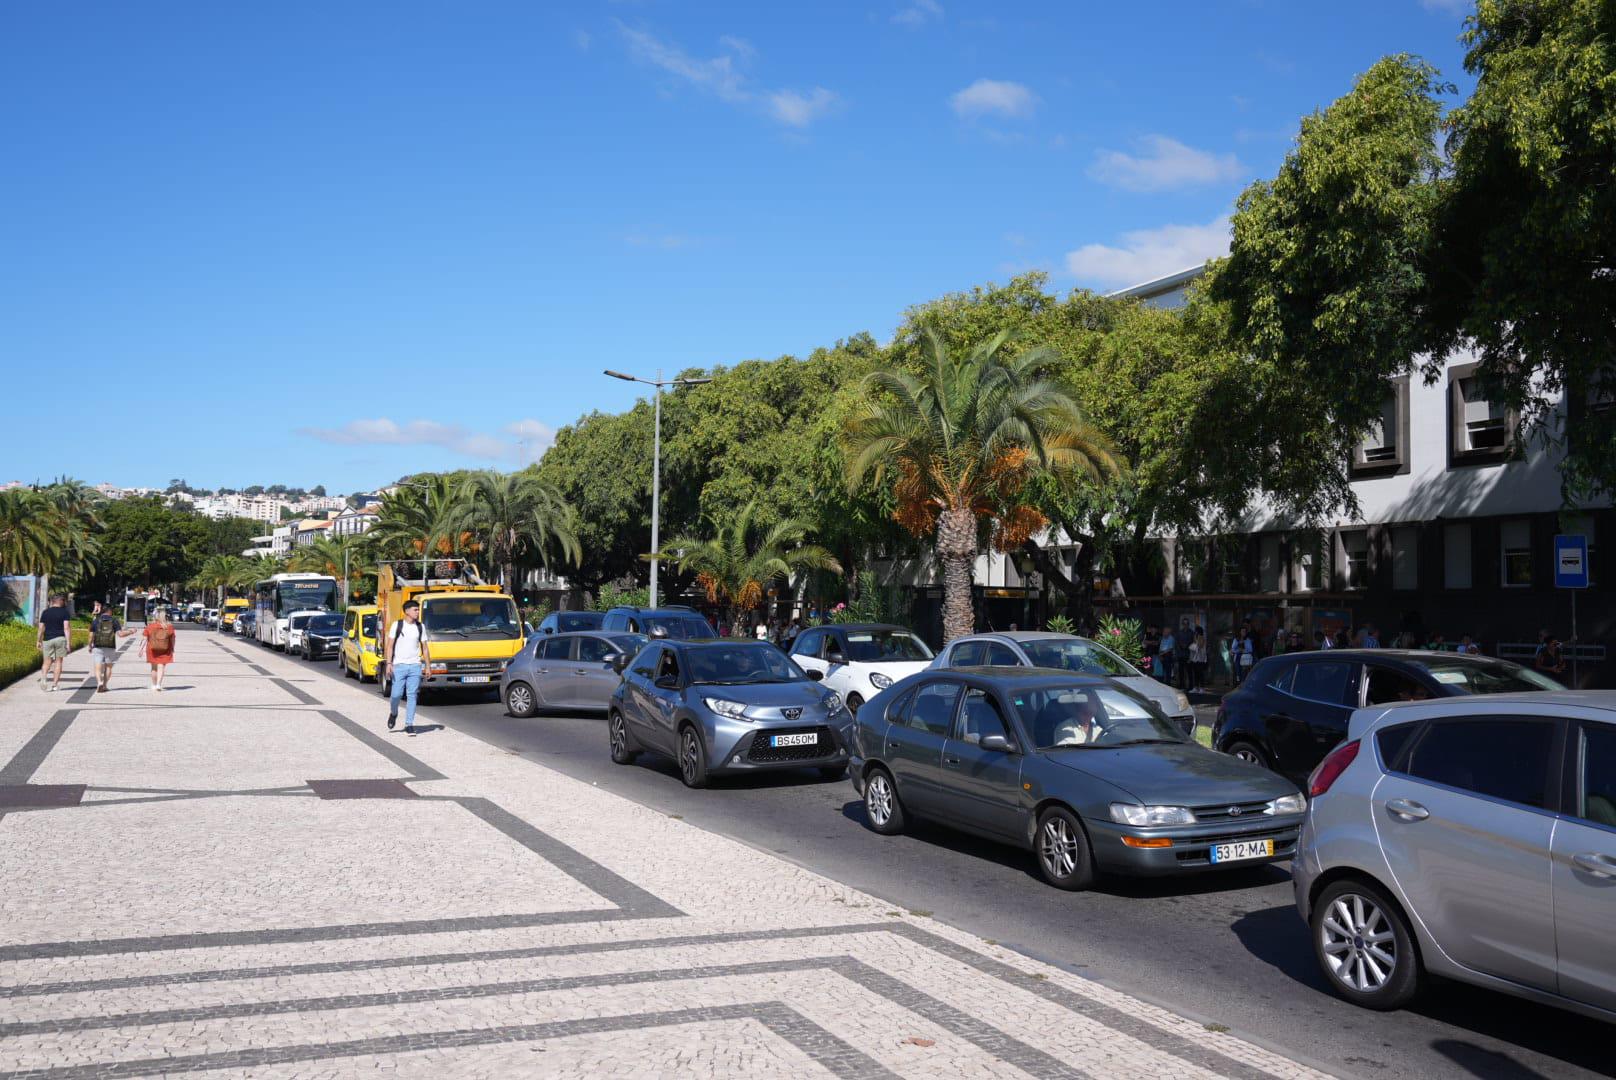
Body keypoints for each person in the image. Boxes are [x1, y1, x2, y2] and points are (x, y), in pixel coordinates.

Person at [385, 599, 428, 735]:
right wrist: (389, 663)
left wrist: (428, 666)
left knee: (412, 695)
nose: (417, 612)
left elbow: (425, 648)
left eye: (418, 609)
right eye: (415, 610)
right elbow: (390, 646)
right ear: (407, 611)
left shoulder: (420, 627)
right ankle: (393, 712)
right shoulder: (397, 625)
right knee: (396, 695)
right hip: (399, 665)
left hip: (415, 665)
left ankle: (409, 724)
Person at [87, 600, 134, 693]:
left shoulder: (96, 620)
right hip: (110, 646)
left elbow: (91, 635)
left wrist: (89, 645)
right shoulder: (114, 620)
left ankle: (99, 682)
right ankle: (104, 686)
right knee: (108, 666)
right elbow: (120, 634)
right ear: (109, 611)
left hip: (98, 646)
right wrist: (131, 631)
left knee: (97, 666)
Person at [36, 594, 73, 691]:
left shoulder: (45, 612)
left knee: (46, 661)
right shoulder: (65, 613)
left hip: (47, 639)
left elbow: (41, 628)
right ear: (60, 601)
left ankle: (44, 678)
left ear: (52, 601)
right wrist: (68, 643)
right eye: (63, 601)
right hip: (60, 639)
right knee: (58, 662)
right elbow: (66, 628)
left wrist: (38, 640)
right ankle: (55, 685)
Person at [141, 607, 177, 691]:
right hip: (165, 649)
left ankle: (153, 685)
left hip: (152, 649)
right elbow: (173, 639)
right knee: (161, 666)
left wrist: (141, 649)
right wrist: (172, 648)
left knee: (154, 667)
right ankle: (158, 685)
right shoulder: (169, 627)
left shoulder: (150, 626)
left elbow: (144, 638)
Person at [1187, 628, 1207, 693]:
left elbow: (1200, 646)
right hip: (1195, 660)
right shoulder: (1195, 638)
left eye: (1196, 632)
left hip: (1201, 660)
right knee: (1195, 674)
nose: (1195, 633)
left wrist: (1197, 640)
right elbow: (1193, 649)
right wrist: (1190, 659)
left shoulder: (1202, 638)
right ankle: (1196, 687)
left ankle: (1202, 687)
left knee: (1200, 674)